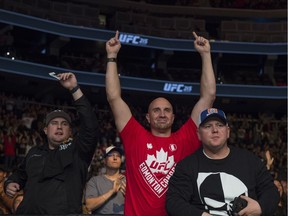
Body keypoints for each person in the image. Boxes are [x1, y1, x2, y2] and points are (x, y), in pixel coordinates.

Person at [105, 31, 216, 216]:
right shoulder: (135, 136)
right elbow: (113, 98)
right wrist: (111, 56)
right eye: (156, 110)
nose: (162, 114)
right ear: (147, 117)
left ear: (173, 117)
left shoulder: (186, 138)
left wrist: (205, 55)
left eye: (167, 110)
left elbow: (209, 96)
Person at [4, 72, 99, 214]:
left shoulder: (79, 151)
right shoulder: (34, 152)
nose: (59, 126)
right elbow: (20, 174)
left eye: (64, 124)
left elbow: (91, 126)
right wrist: (9, 183)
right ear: (45, 130)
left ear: (70, 132)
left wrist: (74, 88)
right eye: (54, 123)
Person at [166, 108, 279, 216]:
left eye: (220, 125)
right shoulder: (187, 166)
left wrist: (260, 207)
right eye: (208, 126)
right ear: (199, 134)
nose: (215, 130)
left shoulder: (250, 161)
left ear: (228, 132)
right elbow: (174, 201)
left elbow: (271, 190)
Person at [85, 145, 126, 215]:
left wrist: (129, 197)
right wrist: (112, 191)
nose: (115, 158)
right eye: (111, 155)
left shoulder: (129, 181)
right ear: (104, 161)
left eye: (118, 156)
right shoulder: (95, 181)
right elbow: (89, 206)